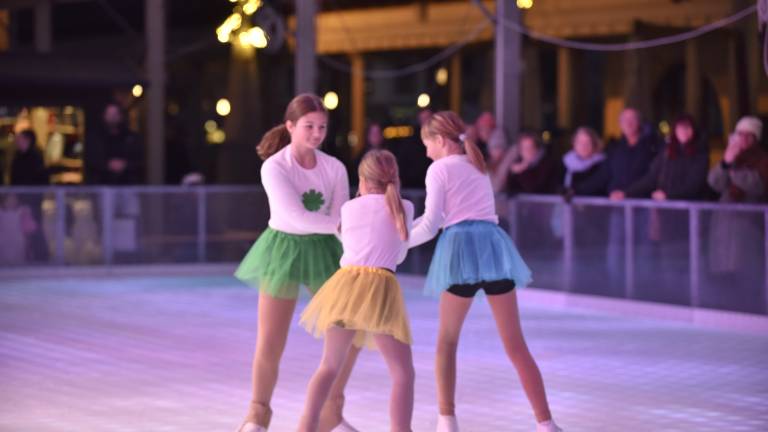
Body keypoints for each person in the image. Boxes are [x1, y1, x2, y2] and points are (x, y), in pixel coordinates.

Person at [408, 111, 562, 432]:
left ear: (440, 141)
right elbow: (447, 216)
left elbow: (432, 224)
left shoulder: (438, 169)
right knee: (516, 345)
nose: (426, 152)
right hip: (493, 248)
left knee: (446, 341)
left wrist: (398, 242)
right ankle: (546, 423)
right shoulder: (476, 164)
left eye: (426, 145)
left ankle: (446, 420)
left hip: (461, 250)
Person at [233, 94, 359, 432]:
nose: (317, 133)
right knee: (271, 340)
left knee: (349, 331)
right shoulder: (274, 167)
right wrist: (342, 226)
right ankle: (257, 415)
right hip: (283, 249)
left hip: (325, 250)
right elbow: (296, 216)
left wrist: (353, 240)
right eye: (309, 126)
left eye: (322, 127)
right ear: (290, 126)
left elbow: (341, 213)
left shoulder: (334, 167)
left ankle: (331, 412)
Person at [299, 150, 415, 432]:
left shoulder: (349, 209)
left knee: (329, 366)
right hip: (380, 290)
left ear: (362, 181)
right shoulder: (404, 207)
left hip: (345, 287)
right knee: (402, 373)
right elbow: (398, 256)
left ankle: (305, 427)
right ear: (395, 178)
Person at [707, 116, 768, 308]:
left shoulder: (762, 159)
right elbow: (714, 182)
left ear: (755, 138)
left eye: (748, 135)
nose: (742, 139)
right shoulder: (730, 156)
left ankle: (750, 309)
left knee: (747, 274)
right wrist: (725, 162)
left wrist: (731, 168)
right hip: (724, 226)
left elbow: (757, 185)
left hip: (749, 226)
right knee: (725, 276)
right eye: (739, 134)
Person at [10, 129, 50, 262]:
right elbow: (14, 177)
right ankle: (30, 254)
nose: (17, 141)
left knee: (34, 225)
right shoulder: (18, 156)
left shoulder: (35, 156)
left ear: (28, 140)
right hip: (22, 198)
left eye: (20, 139)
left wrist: (36, 194)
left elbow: (41, 177)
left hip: (33, 198)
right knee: (25, 227)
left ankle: (41, 255)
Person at [561, 127, 607, 197]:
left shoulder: (602, 164)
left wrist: (574, 191)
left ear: (594, 144)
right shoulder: (565, 163)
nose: (584, 146)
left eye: (588, 142)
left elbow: (595, 187)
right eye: (580, 142)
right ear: (574, 143)